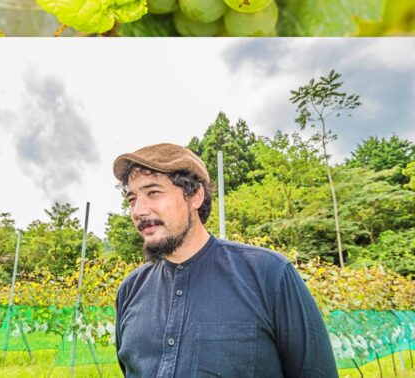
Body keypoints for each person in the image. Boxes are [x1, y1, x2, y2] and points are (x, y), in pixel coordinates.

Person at [112, 142, 337, 378]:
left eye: (153, 193)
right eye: (132, 199)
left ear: (195, 196)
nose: (138, 210)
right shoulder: (129, 290)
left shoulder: (270, 275)